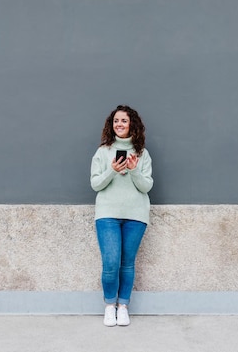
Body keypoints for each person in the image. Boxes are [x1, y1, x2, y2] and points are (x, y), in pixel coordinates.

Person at [90, 105, 153, 327]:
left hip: (136, 214)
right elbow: (96, 184)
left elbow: (146, 187)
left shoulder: (142, 154)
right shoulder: (102, 152)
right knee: (111, 262)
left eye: (124, 121)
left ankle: (123, 306)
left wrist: (134, 170)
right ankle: (109, 305)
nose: (119, 124)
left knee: (127, 263)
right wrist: (112, 170)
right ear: (111, 124)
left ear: (132, 124)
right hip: (107, 214)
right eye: (116, 121)